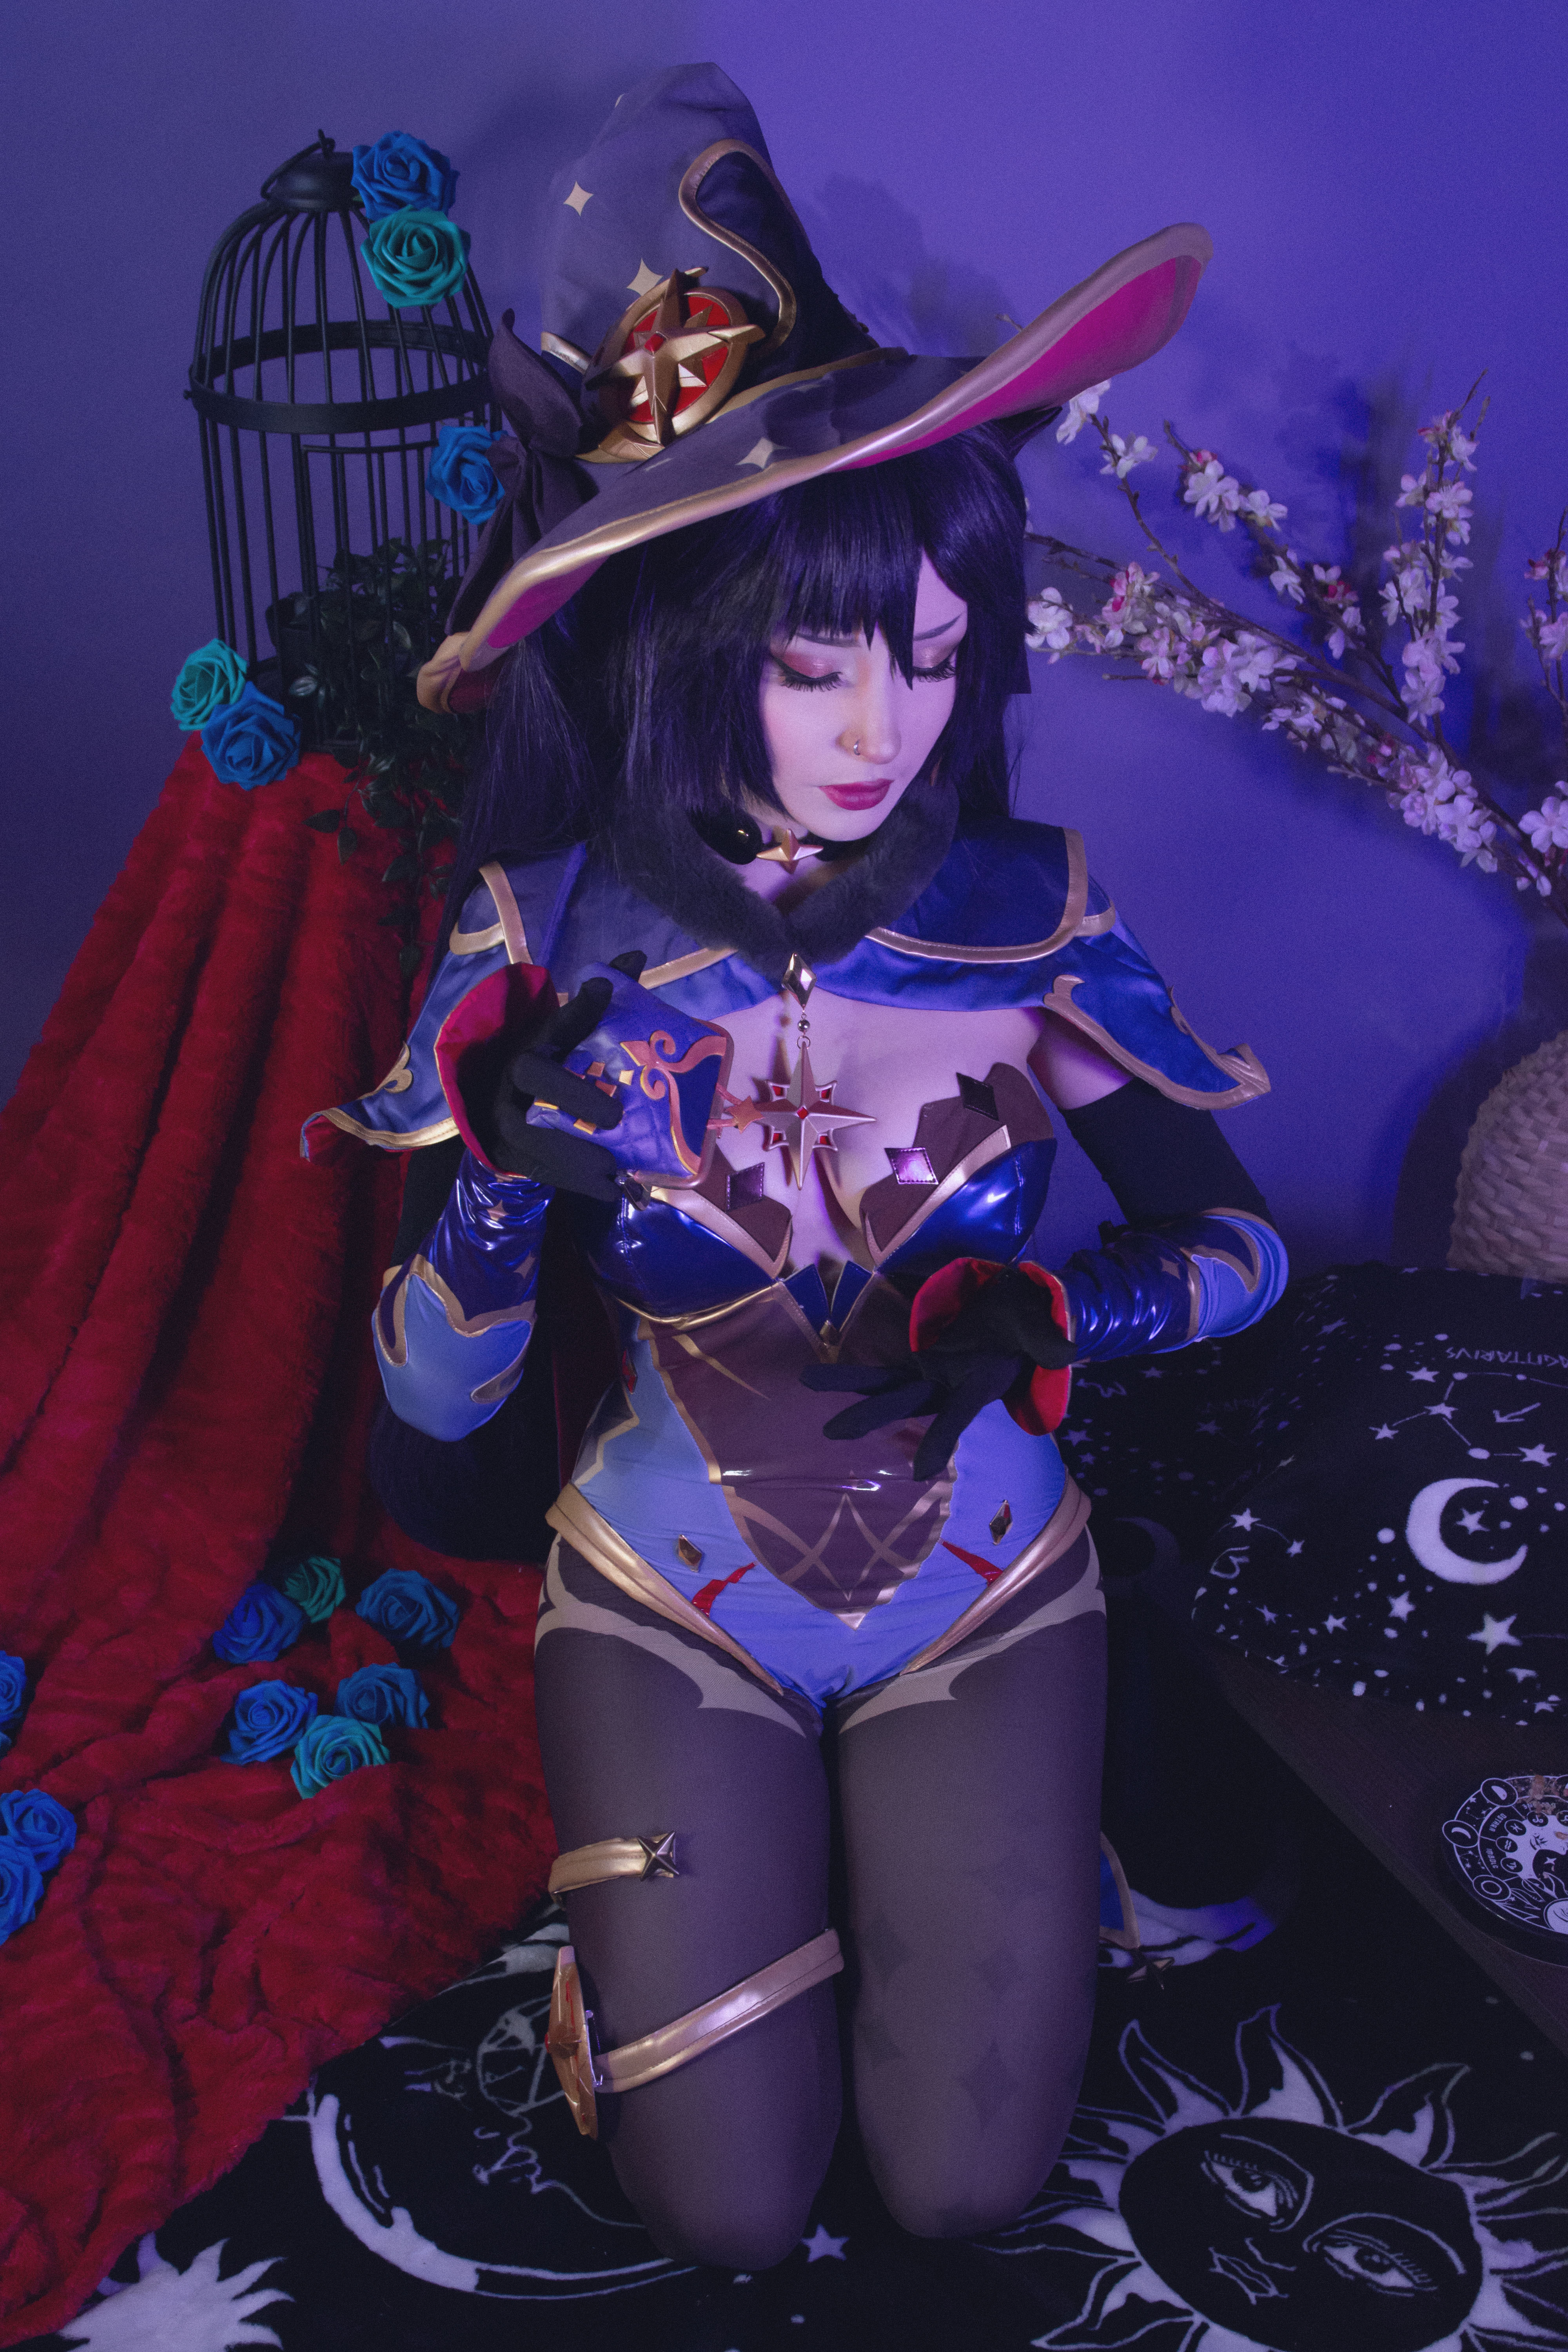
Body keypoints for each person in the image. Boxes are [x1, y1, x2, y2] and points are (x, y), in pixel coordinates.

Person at [306, 65, 1286, 2267]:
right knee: (731, 2218)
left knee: (964, 2185)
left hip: (990, 1599)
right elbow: (433, 1420)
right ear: (682, 641)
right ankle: (704, 1936)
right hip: (670, 1606)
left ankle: (905, 1880)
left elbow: (1247, 1252)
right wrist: (501, 1180)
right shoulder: (541, 942)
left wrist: (1077, 1309)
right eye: (818, 661)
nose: (884, 730)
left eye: (931, 657)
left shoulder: (1033, 911)